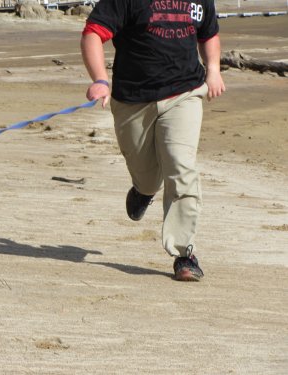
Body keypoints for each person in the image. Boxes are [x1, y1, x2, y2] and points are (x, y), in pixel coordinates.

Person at [81, 0, 225, 281]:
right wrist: (99, 79)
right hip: (133, 100)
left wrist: (214, 69)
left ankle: (184, 253)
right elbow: (93, 33)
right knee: (146, 175)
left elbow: (209, 33)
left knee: (180, 167)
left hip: (185, 93)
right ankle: (144, 190)